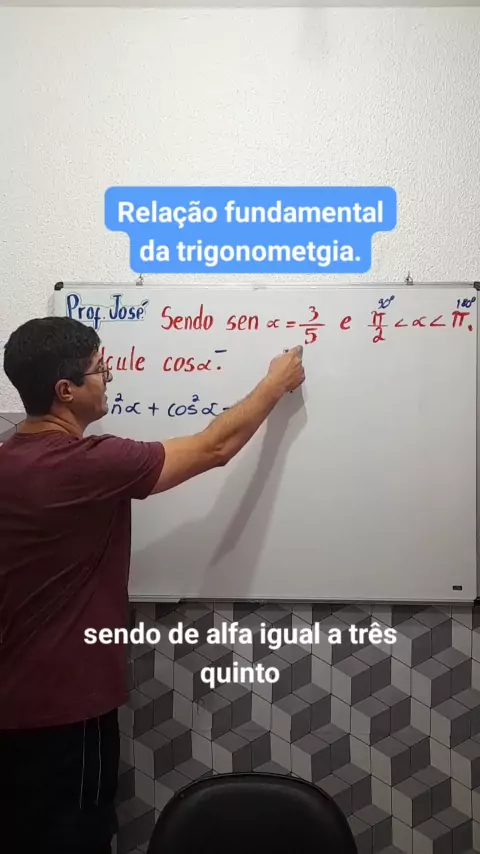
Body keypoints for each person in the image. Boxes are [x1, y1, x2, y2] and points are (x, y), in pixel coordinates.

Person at [0, 315, 305, 854]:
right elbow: (214, 448)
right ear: (65, 390)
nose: (109, 378)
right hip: (66, 712)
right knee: (74, 840)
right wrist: (274, 383)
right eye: (101, 369)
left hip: (12, 707)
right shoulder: (88, 464)